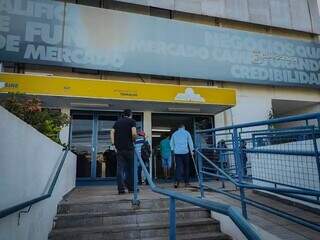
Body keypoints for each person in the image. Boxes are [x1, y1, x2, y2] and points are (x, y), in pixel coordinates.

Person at [111, 109, 137, 194]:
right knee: (131, 169)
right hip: (129, 149)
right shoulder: (132, 121)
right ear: (130, 114)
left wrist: (113, 144)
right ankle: (131, 188)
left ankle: (121, 189)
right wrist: (133, 140)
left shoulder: (117, 122)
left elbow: (111, 132)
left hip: (119, 149)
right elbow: (134, 133)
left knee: (120, 170)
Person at [170, 124, 194, 188]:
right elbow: (190, 142)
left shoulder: (174, 134)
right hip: (185, 152)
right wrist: (192, 151)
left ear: (178, 128)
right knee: (186, 167)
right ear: (183, 127)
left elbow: (171, 143)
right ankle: (186, 182)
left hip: (177, 153)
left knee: (178, 167)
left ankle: (177, 182)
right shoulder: (187, 132)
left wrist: (173, 150)